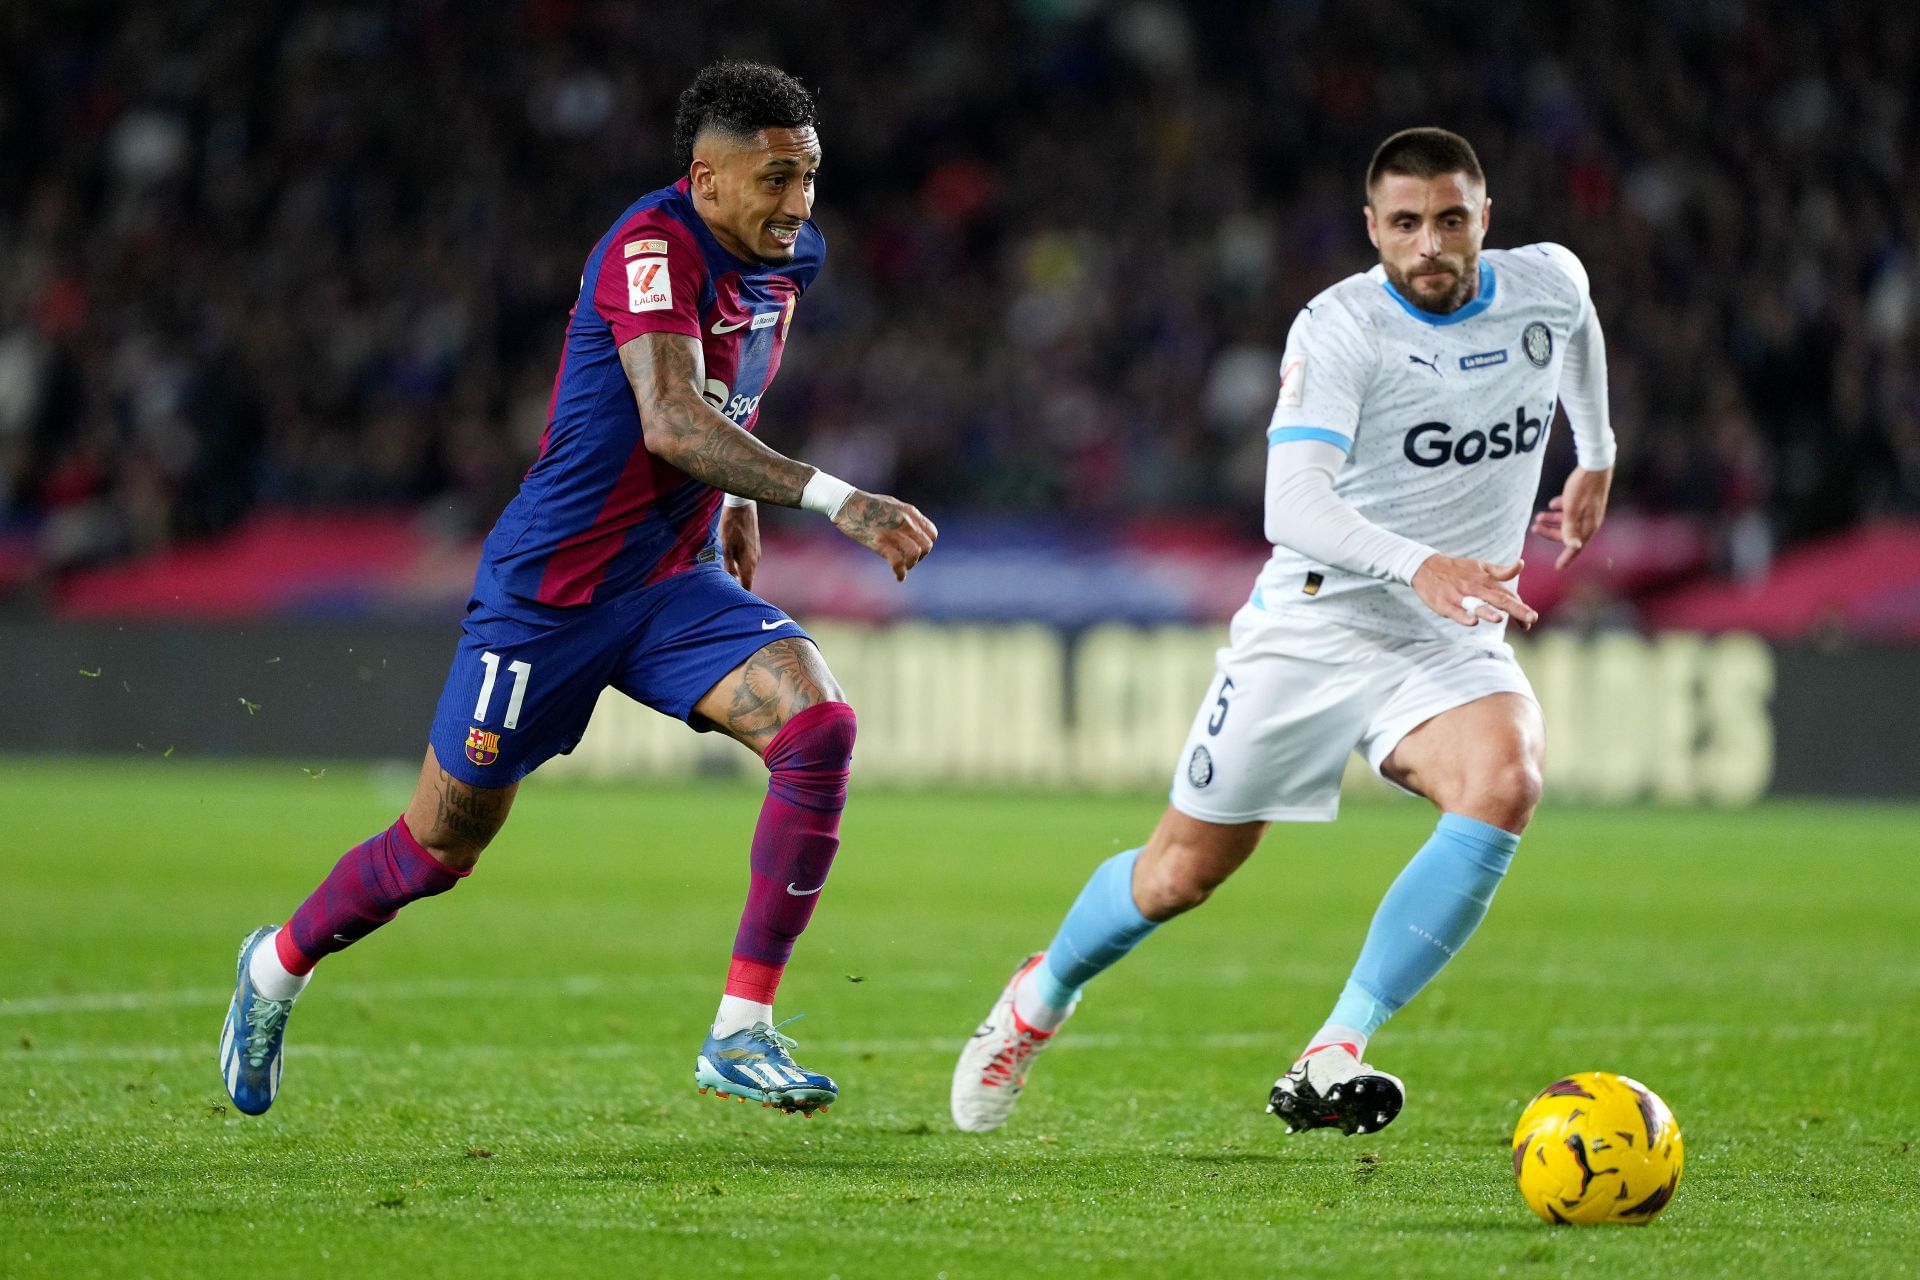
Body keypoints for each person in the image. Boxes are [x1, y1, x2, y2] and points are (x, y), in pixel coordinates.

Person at [220, 60, 936, 1119]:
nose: (799, 204)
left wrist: (732, 499)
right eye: (777, 178)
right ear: (704, 177)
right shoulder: (649, 249)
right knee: (437, 847)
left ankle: (741, 1030)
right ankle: (276, 963)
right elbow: (671, 419)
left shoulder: (790, 258)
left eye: (811, 177)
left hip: (667, 582)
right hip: (549, 596)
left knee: (819, 723)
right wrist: (836, 499)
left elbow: (728, 382)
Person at [951, 127, 1614, 1137]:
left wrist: (1596, 450)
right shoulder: (1341, 327)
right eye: (1404, 224)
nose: (1428, 244)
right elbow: (1291, 502)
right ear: (1372, 229)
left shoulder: (1547, 282)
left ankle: (1334, 1047)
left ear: (1485, 219)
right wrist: (1419, 563)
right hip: (1317, 619)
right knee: (1179, 874)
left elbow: (1579, 329)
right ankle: (1034, 1002)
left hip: (1446, 635)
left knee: (1507, 774)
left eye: (1448, 220)